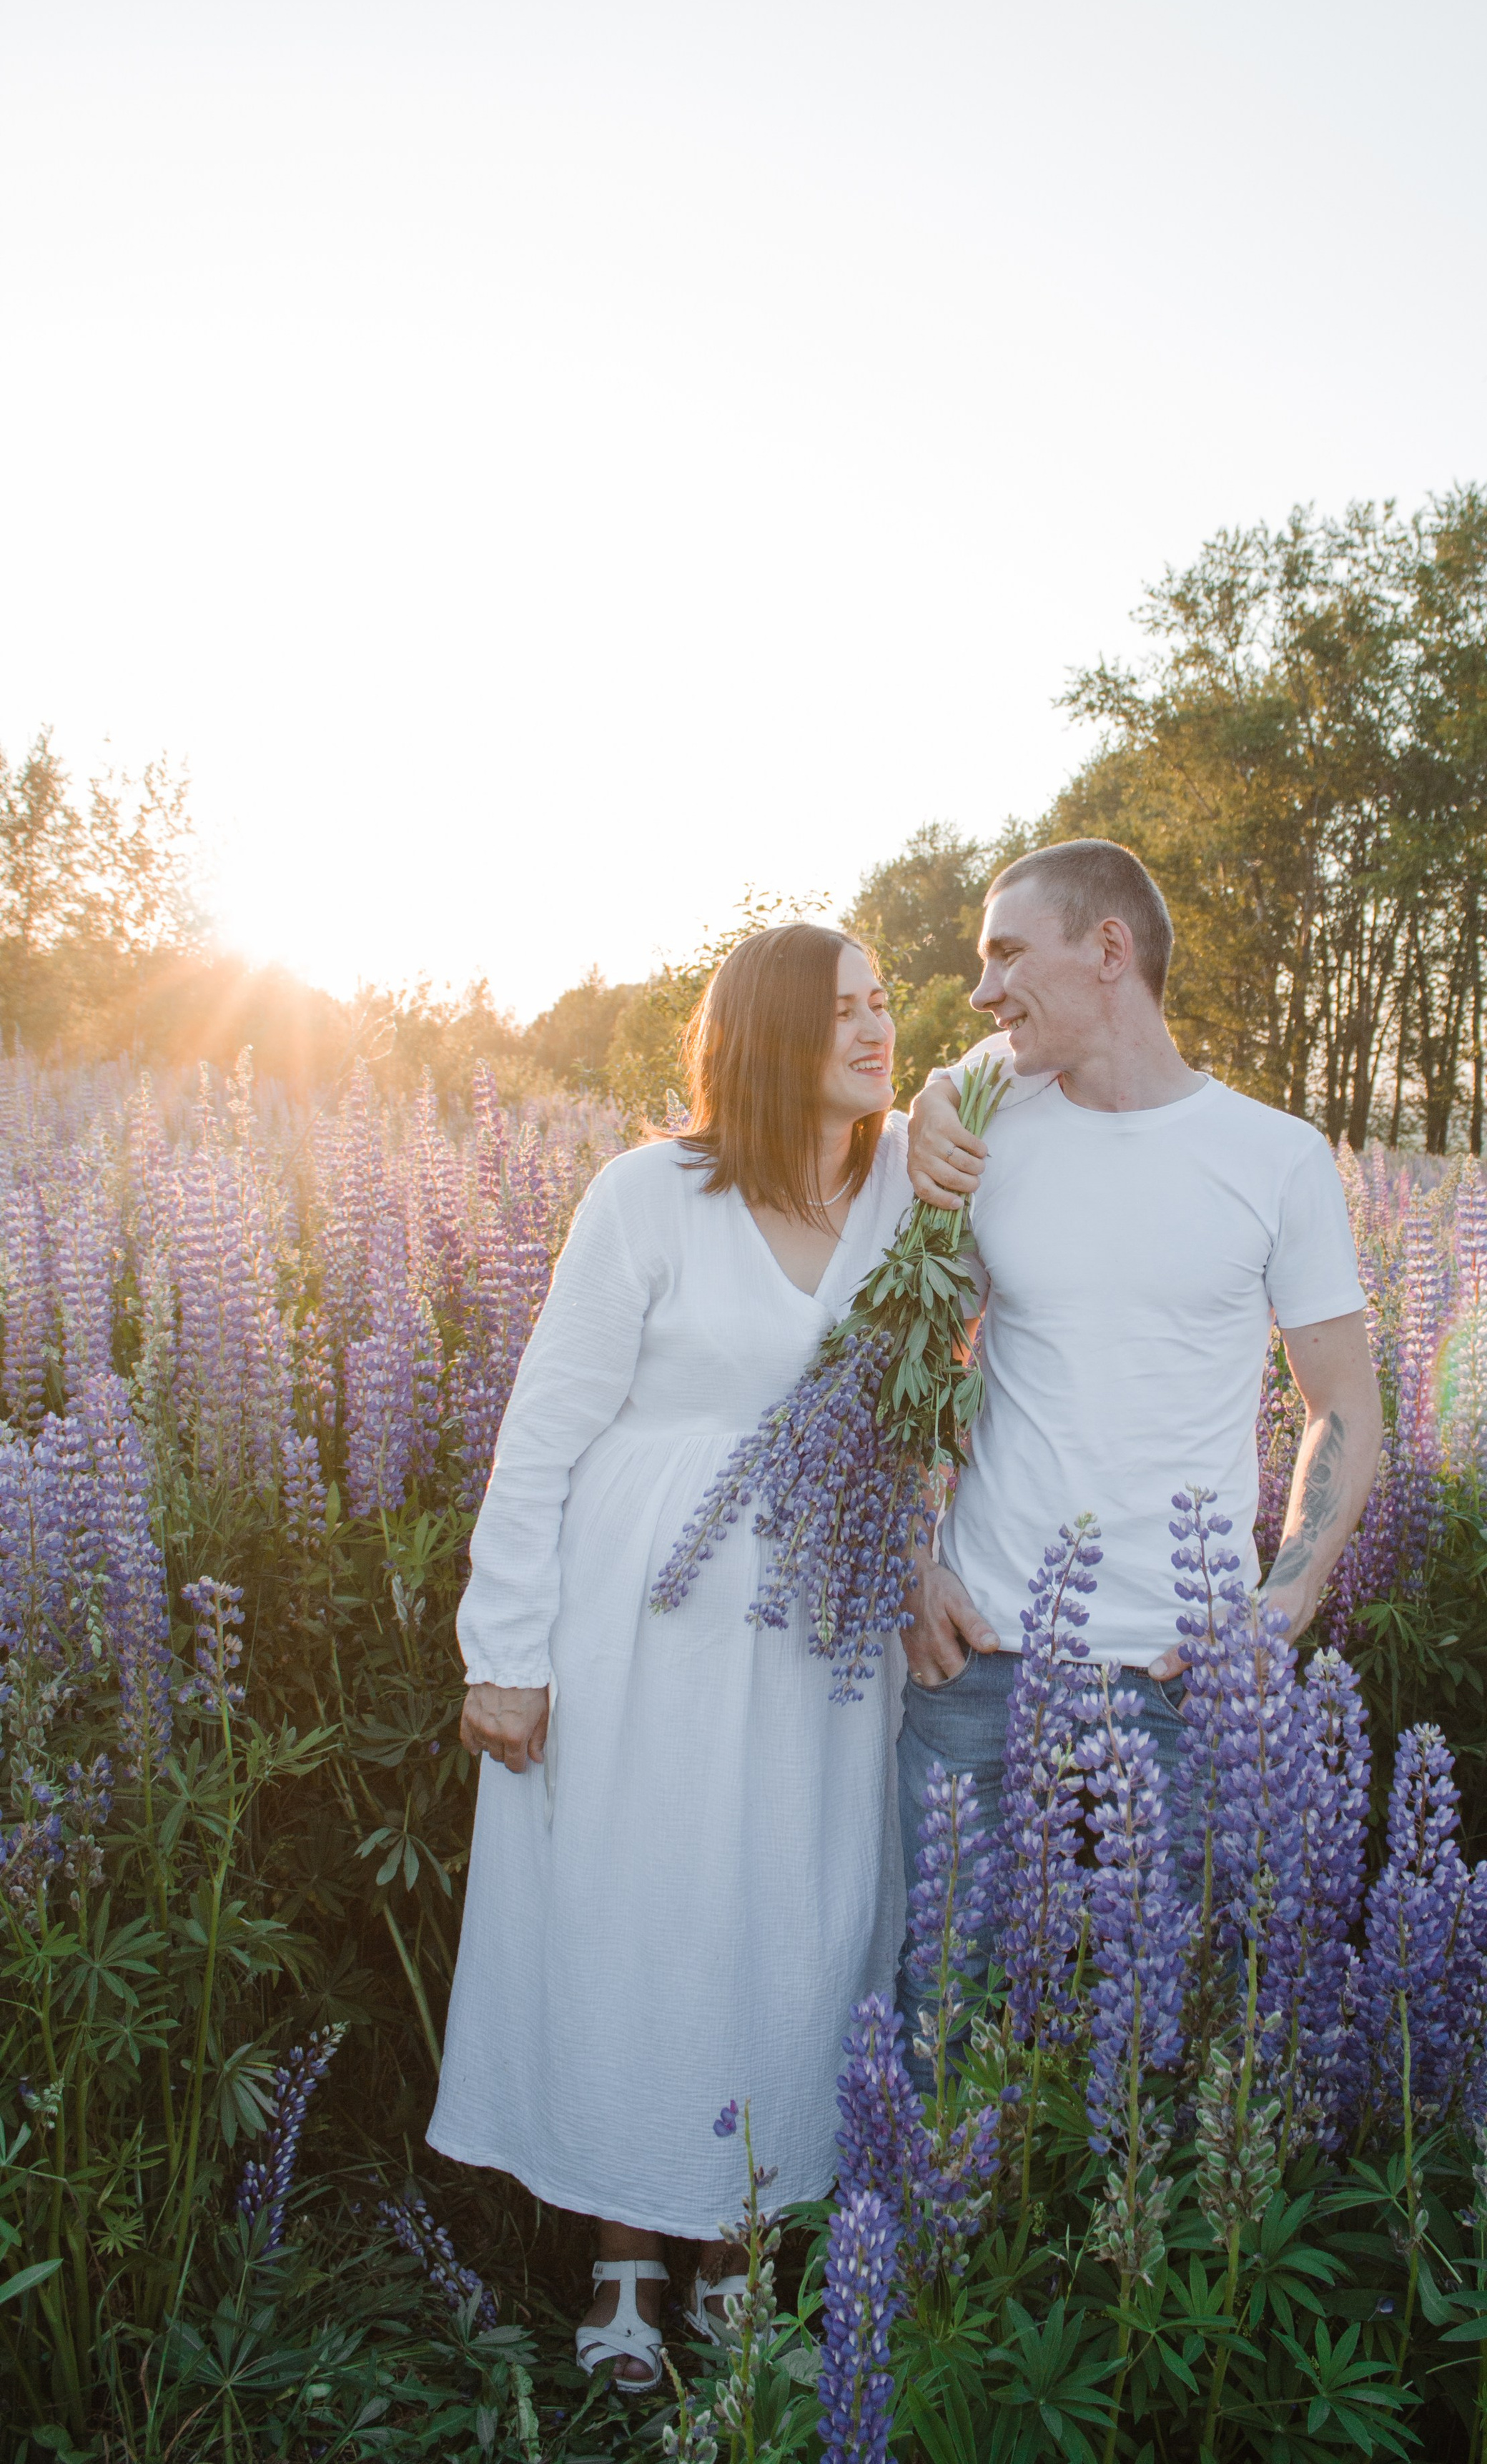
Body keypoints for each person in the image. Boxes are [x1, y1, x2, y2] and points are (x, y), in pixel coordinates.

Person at [428, 926, 911, 2391]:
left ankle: (739, 2247)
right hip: (645, 1626)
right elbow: (545, 1428)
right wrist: (502, 1648)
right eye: (844, 1009)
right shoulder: (649, 1192)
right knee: (645, 1919)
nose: (878, 1028)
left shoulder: (910, 1190)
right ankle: (628, 2251)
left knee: (796, 1916)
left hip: (825, 1629)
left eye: (885, 1000)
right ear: (766, 1034)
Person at [897, 838, 1383, 2009]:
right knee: (944, 2028)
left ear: (1110, 947)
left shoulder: (1275, 1156)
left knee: (1163, 2054)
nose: (981, 988)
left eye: (1008, 952)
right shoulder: (983, 1114)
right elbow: (911, 1358)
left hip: (1180, 1677)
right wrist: (914, 1553)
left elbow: (1348, 1407)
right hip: (983, 1663)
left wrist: (1280, 1607)